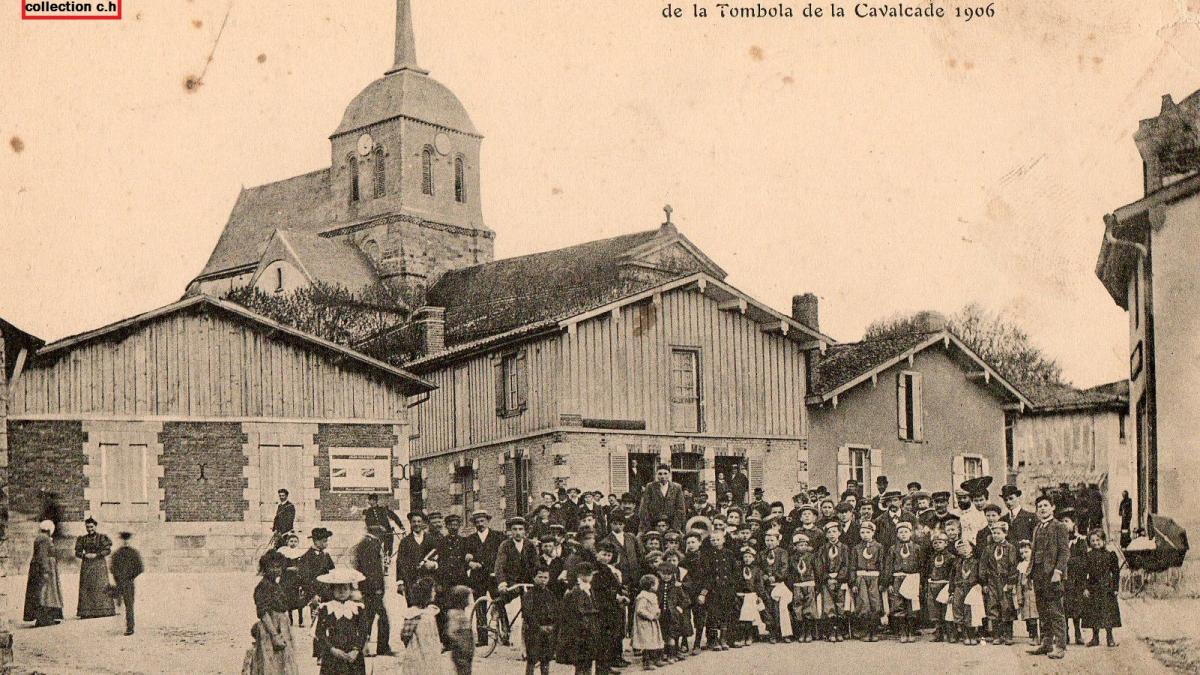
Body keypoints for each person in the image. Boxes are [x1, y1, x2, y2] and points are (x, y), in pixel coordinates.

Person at [1028, 494, 1071, 660]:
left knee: (1055, 611)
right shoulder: (1037, 527)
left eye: (1046, 505)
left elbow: (1064, 552)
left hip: (1052, 575)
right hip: (1038, 575)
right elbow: (1033, 553)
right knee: (1043, 610)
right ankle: (1046, 643)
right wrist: (1029, 573)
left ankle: (1060, 646)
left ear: (1052, 507)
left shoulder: (1059, 526)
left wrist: (1058, 572)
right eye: (1039, 506)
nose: (1043, 508)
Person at [246, 551, 300, 675]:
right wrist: (274, 636)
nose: (276, 570)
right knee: (271, 664)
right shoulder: (263, 586)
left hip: (282, 626)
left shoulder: (275, 585)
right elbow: (263, 613)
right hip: (271, 628)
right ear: (265, 569)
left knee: (283, 664)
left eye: (279, 567)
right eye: (272, 567)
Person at [312, 568, 370, 675]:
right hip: (333, 653)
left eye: (345, 588)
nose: (342, 592)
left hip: (352, 653)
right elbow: (319, 632)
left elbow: (363, 630)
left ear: (350, 590)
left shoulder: (357, 608)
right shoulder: (326, 608)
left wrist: (356, 650)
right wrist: (332, 649)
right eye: (338, 588)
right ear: (332, 590)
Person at [351, 518, 393, 657]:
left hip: (367, 588)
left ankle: (364, 647)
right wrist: (377, 588)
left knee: (369, 617)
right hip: (372, 589)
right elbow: (372, 569)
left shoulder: (364, 544)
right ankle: (380, 647)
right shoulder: (371, 544)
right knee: (381, 618)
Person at [462, 509, 501, 645]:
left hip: (493, 576)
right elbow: (465, 557)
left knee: (499, 602)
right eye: (477, 522)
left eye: (482, 521)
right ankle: (483, 638)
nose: (480, 524)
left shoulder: (498, 537)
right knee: (480, 606)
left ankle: (504, 634)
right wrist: (470, 562)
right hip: (477, 577)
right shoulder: (470, 539)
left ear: (488, 521)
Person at [558, 561, 601, 674]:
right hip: (581, 631)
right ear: (580, 575)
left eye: (590, 575)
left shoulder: (589, 589)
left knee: (588, 660)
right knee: (581, 662)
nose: (589, 577)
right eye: (587, 574)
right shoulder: (576, 591)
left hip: (590, 629)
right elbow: (577, 611)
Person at [979, 521, 1018, 645]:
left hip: (1005, 581)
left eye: (998, 533)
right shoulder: (988, 549)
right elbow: (983, 566)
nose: (995, 535)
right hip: (992, 582)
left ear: (1005, 533)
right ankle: (997, 635)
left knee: (1007, 607)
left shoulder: (1010, 548)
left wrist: (1011, 581)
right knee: (993, 606)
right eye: (993, 533)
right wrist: (984, 582)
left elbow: (1013, 566)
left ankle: (1008, 635)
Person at [884, 520, 923, 643]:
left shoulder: (916, 548)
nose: (903, 534)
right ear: (897, 534)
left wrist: (920, 582)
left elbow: (921, 565)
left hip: (912, 578)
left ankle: (911, 631)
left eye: (906, 531)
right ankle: (902, 631)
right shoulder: (893, 549)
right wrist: (889, 582)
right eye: (900, 532)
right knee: (898, 605)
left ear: (911, 533)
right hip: (897, 578)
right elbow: (888, 566)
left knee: (911, 605)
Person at [1082, 529, 1121, 647]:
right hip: (1093, 587)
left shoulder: (1110, 555)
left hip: (1106, 588)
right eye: (1092, 540)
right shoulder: (1088, 556)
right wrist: (1085, 588)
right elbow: (1084, 573)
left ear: (1103, 541)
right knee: (1094, 613)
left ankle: (1110, 637)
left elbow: (1115, 573)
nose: (1095, 543)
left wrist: (1115, 588)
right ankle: (1095, 637)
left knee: (1108, 612)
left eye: (1098, 540)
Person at [398, 578, 444, 674]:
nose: (434, 593)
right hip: (426, 655)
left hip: (414, 654)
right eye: (432, 591)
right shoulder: (428, 616)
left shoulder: (412, 614)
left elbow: (404, 635)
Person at [74, 516, 117, 619]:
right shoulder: (82, 539)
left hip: (99, 565)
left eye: (92, 527)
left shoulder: (102, 538)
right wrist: (84, 555)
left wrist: (97, 555)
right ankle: (87, 612)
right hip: (87, 566)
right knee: (87, 587)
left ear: (95, 527)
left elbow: (108, 550)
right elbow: (77, 552)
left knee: (100, 586)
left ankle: (104, 610)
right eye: (88, 527)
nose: (90, 529)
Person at [23, 520, 63, 627]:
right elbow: (42, 556)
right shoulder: (44, 539)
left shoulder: (41, 538)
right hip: (46, 568)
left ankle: (47, 618)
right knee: (45, 593)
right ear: (50, 530)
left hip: (45, 567)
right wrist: (45, 570)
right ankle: (44, 619)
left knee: (45, 593)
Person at [816, 519, 850, 642]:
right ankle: (831, 631)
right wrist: (827, 577)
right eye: (829, 532)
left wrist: (839, 578)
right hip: (827, 581)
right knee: (829, 606)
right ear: (826, 535)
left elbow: (846, 564)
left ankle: (839, 630)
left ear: (839, 533)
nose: (832, 534)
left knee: (840, 605)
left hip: (840, 581)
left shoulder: (844, 548)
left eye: (834, 531)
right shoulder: (823, 549)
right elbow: (819, 565)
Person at [851, 520, 884, 641]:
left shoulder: (879, 547)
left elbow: (882, 564)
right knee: (863, 603)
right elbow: (853, 566)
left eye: (868, 532)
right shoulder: (856, 548)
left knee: (875, 603)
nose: (865, 534)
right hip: (861, 578)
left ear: (873, 533)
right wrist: (854, 582)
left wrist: (882, 582)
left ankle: (874, 632)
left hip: (875, 577)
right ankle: (865, 631)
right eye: (862, 532)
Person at [524, 566, 560, 675]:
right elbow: (528, 614)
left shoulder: (551, 595)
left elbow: (556, 612)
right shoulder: (529, 595)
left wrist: (553, 626)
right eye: (540, 577)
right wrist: (539, 627)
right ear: (534, 578)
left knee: (546, 659)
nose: (543, 580)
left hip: (549, 632)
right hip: (534, 631)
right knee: (532, 660)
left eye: (545, 577)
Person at [396, 511, 440, 600]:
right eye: (414, 521)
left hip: (429, 581)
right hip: (410, 582)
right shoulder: (405, 542)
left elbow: (439, 557)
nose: (416, 524)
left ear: (423, 523)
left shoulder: (431, 540)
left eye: (419, 521)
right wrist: (400, 582)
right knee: (413, 609)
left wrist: (434, 565)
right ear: (410, 523)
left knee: (429, 607)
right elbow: (400, 562)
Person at [1061, 509, 1089, 646]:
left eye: (1066, 521)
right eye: (1062, 522)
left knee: (1077, 607)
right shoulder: (1059, 541)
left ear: (1073, 524)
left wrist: (1068, 561)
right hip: (1063, 579)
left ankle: (1078, 633)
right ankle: (1065, 634)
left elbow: (1083, 561)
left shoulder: (1080, 541)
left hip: (1077, 579)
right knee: (1064, 607)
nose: (1064, 524)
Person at [298, 528, 337, 621]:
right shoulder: (306, 557)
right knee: (316, 622)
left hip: (328, 593)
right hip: (315, 595)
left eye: (327, 541)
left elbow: (332, 572)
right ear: (316, 541)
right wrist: (313, 595)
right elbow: (305, 578)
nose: (326, 543)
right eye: (324, 541)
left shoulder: (326, 555)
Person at [111, 531, 144, 636]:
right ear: (121, 541)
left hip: (129, 582)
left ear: (130, 541)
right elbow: (112, 567)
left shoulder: (134, 553)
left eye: (127, 540)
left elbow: (140, 568)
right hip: (119, 581)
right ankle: (118, 625)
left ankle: (130, 627)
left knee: (129, 604)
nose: (125, 542)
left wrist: (130, 576)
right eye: (123, 540)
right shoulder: (117, 553)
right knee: (118, 604)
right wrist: (117, 577)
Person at [638, 464, 687, 533]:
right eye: (660, 474)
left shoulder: (677, 487)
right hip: (654, 525)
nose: (663, 476)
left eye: (665, 473)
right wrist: (649, 527)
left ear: (669, 474)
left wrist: (675, 527)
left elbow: (680, 508)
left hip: (671, 525)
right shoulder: (650, 487)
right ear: (656, 475)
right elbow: (644, 508)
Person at [925, 530, 956, 642]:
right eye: (935, 543)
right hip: (933, 585)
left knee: (946, 609)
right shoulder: (931, 557)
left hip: (945, 585)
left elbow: (953, 574)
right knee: (934, 610)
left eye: (940, 542)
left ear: (946, 543)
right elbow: (927, 571)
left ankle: (951, 633)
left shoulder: (951, 557)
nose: (937, 545)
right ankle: (938, 633)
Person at [633, 574, 665, 669]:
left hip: (653, 622)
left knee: (654, 640)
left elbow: (655, 607)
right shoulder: (642, 596)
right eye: (656, 584)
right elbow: (640, 610)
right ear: (651, 585)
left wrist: (657, 612)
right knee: (647, 642)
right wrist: (651, 616)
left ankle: (655, 659)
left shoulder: (652, 595)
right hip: (645, 624)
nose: (657, 586)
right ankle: (647, 662)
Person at [363, 494, 406, 560]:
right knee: (376, 551)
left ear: (374, 501)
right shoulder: (368, 512)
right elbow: (368, 525)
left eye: (370, 500)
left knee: (388, 550)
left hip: (387, 533)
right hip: (376, 534)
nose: (369, 502)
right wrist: (378, 527)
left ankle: (387, 560)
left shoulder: (383, 509)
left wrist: (401, 526)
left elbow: (394, 517)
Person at [445, 585, 476, 675]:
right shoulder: (455, 614)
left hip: (465, 651)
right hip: (461, 652)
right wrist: (460, 645)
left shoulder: (460, 613)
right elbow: (452, 631)